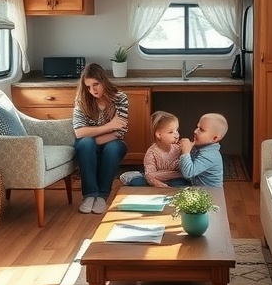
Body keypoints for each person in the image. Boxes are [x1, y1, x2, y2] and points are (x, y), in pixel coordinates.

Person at [72, 63, 128, 215]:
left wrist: (93, 138)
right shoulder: (81, 101)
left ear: (103, 80)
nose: (92, 90)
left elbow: (119, 132)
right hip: (87, 144)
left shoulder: (120, 98)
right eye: (88, 86)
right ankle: (90, 196)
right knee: (85, 144)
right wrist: (110, 125)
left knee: (111, 147)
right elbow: (79, 133)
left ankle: (102, 196)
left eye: (95, 84)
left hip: (113, 144)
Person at [120, 111, 189, 188]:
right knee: (138, 182)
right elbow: (150, 175)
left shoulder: (178, 149)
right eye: (171, 132)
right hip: (154, 178)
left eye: (177, 130)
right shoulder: (152, 153)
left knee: (180, 183)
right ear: (159, 135)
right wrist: (160, 184)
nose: (177, 135)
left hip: (172, 179)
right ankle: (134, 175)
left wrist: (187, 150)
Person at [177, 112, 228, 187]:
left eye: (201, 130)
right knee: (172, 183)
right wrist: (182, 150)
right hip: (196, 185)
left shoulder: (211, 155)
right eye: (197, 127)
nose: (195, 131)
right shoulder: (200, 147)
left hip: (211, 193)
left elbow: (188, 173)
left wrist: (186, 152)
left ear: (215, 138)